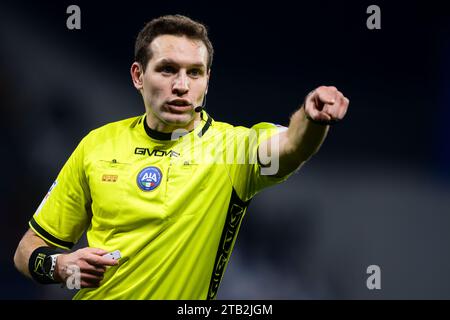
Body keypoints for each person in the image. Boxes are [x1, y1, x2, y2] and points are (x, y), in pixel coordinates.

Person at [13, 14, 349, 300]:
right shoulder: (97, 145)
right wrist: (59, 266)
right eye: (167, 69)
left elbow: (291, 146)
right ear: (138, 76)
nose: (181, 85)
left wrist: (312, 118)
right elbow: (26, 251)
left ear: (207, 81)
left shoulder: (233, 150)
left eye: (194, 73)